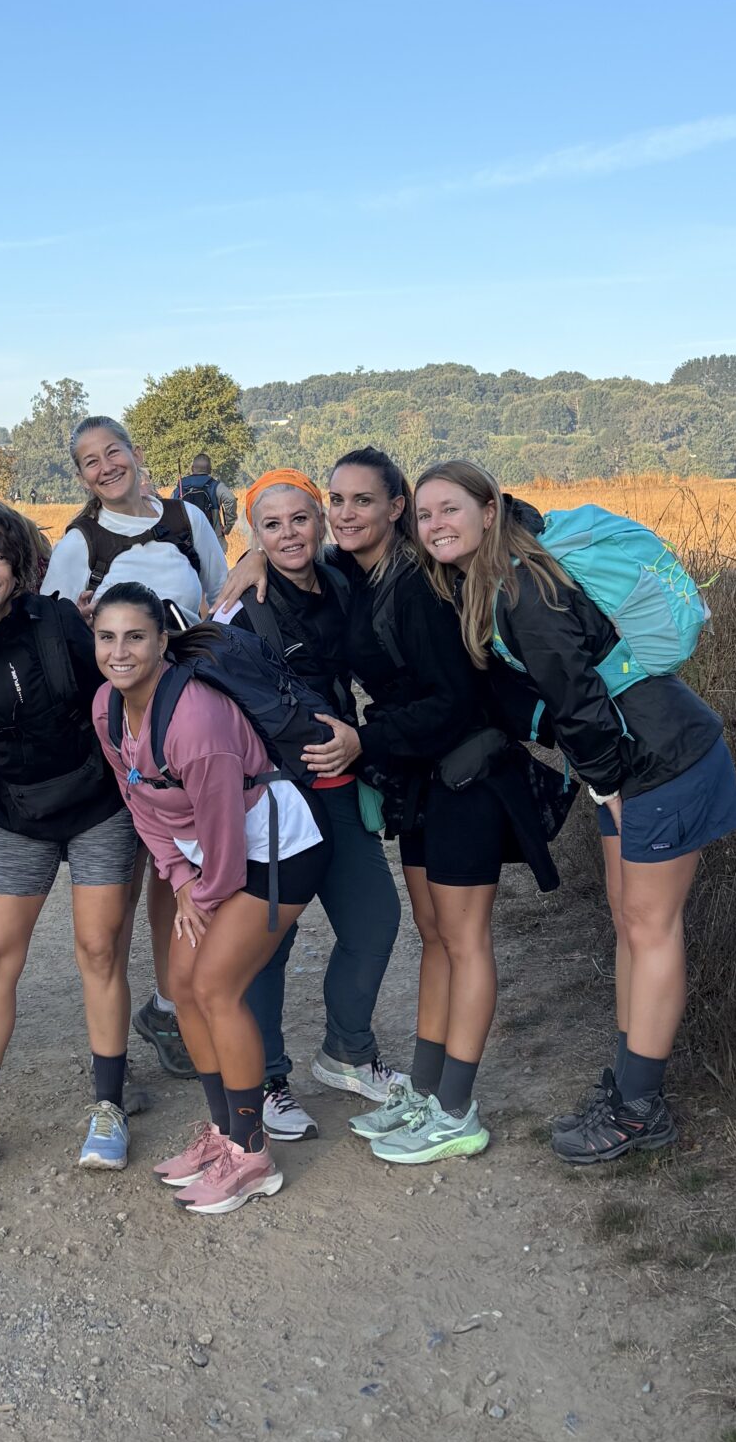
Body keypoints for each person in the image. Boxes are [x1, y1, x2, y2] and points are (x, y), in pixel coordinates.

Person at [219, 445, 568, 1168]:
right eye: (336, 502)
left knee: (462, 941)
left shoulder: (419, 586)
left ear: (393, 508)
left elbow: (455, 700)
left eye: (359, 502)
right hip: (421, 780)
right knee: (436, 938)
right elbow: (299, 572)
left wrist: (364, 739)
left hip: (467, 773)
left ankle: (456, 1108)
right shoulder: (355, 572)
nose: (344, 516)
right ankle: (431, 1091)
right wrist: (246, 562)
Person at [412, 461, 736, 1164]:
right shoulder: (500, 575)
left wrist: (605, 783)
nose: (436, 524)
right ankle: (629, 1084)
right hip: (635, 761)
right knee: (630, 923)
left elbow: (577, 701)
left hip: (661, 760)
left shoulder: (522, 588)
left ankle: (638, 1109)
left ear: (490, 510)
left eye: (449, 509)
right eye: (424, 515)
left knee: (651, 929)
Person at [0, 502, 140, 1186]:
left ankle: (109, 1108)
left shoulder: (60, 622)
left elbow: (117, 694)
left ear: (22, 568)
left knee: (99, 951)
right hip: (12, 818)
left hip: (99, 807)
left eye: (1, 557)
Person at [90, 581, 328, 1216]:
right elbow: (138, 797)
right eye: (106, 637)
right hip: (208, 866)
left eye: (135, 636)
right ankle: (225, 1131)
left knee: (216, 987)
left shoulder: (195, 718)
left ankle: (251, 1157)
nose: (120, 652)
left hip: (276, 853)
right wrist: (178, 878)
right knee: (185, 986)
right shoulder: (106, 707)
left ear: (162, 642)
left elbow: (224, 830)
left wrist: (206, 891)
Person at [40, 416, 231, 1086]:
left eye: (113, 451)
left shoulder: (187, 521)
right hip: (115, 731)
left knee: (176, 868)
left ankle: (171, 1007)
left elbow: (220, 599)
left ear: (135, 452)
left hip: (190, 720)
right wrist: (86, 621)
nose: (105, 467)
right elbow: (53, 640)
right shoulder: (79, 543)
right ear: (83, 476)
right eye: (89, 461)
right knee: (118, 883)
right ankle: (114, 1049)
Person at [217, 468, 404, 1141]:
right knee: (271, 942)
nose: (289, 533)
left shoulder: (341, 579)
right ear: (254, 535)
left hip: (341, 784)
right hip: (279, 800)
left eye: (300, 518)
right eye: (271, 525)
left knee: (375, 921)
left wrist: (359, 748)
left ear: (320, 521)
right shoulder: (242, 608)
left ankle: (347, 1049)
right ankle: (266, 1077)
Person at [175, 452, 236, 539]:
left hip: (187, 542)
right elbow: (231, 499)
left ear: (192, 468)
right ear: (210, 469)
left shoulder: (181, 487)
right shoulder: (215, 486)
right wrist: (228, 526)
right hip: (213, 540)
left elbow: (171, 509)